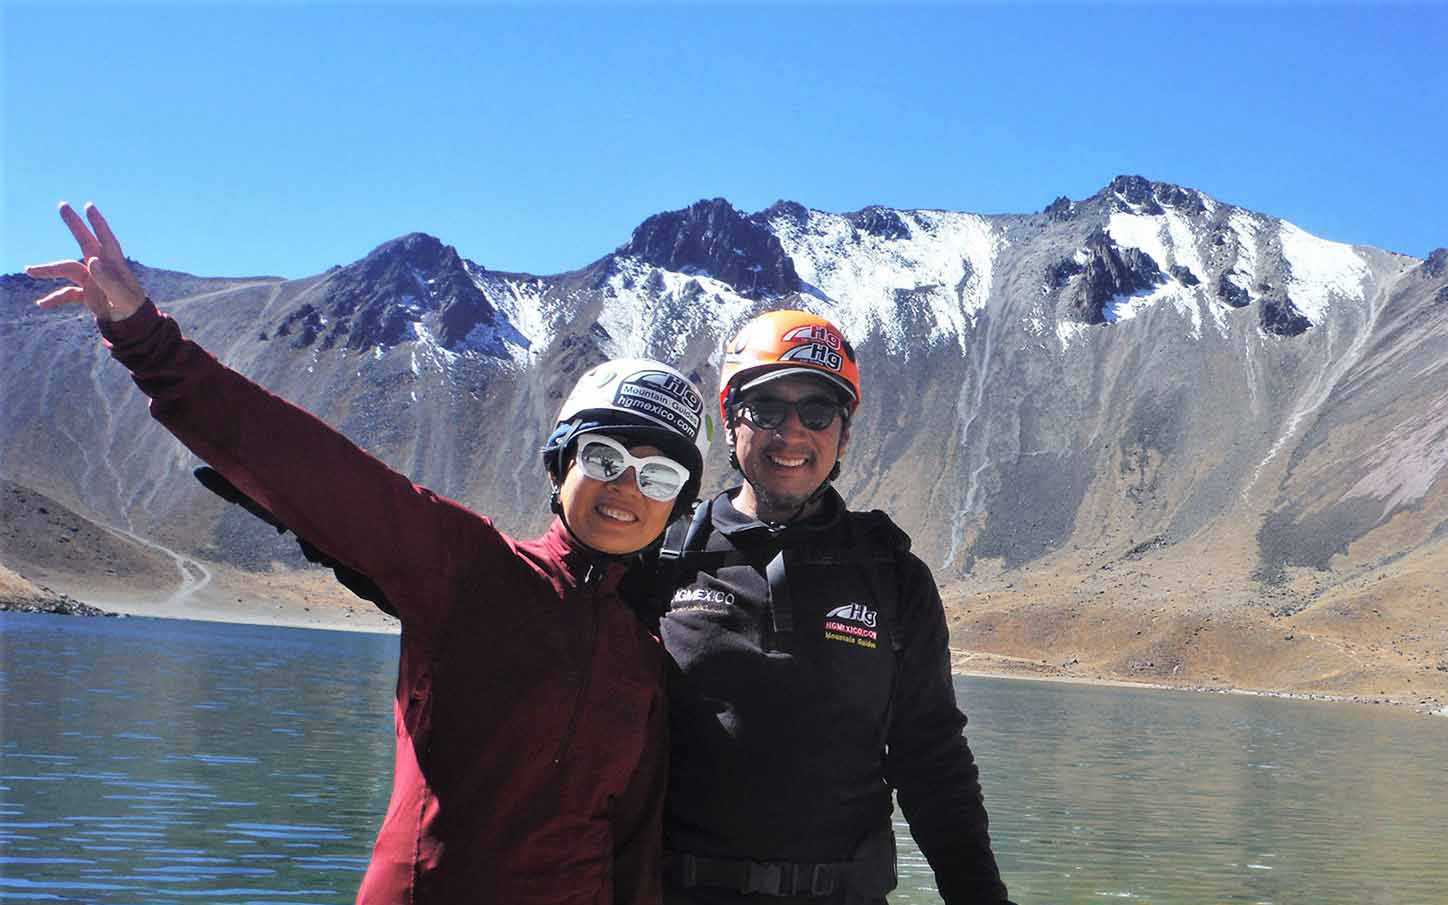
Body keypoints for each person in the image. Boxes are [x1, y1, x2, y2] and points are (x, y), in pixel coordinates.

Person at [26, 201, 715, 904]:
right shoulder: (469, 569)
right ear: (556, 465)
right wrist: (147, 341)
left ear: (678, 506)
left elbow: (631, 856)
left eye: (659, 476)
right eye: (603, 456)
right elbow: (312, 468)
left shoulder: (643, 659)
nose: (627, 486)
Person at [655, 310, 1014, 904]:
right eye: (766, 409)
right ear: (729, 419)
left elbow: (932, 761)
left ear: (843, 434)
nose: (791, 433)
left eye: (817, 413)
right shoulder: (663, 557)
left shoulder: (893, 577)